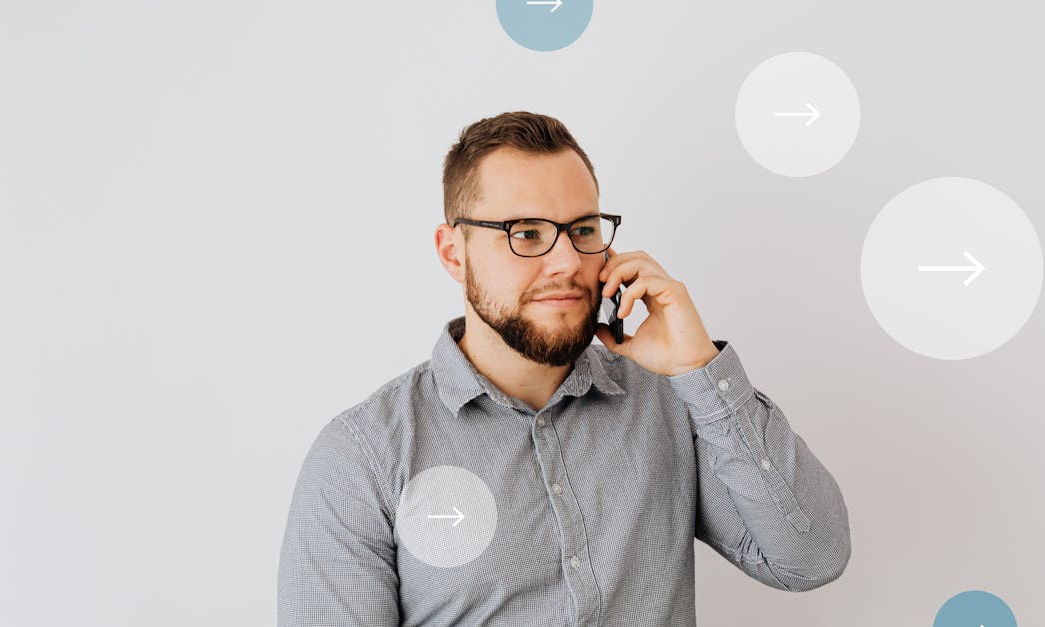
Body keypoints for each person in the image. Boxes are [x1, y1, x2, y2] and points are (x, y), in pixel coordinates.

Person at [278, 111, 851, 626]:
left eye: (583, 230)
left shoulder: (672, 403)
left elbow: (811, 557)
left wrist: (699, 366)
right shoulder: (362, 454)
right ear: (454, 253)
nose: (567, 263)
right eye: (524, 233)